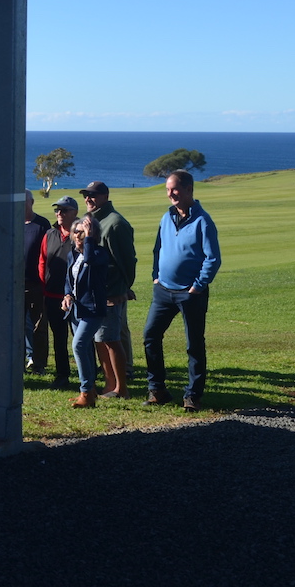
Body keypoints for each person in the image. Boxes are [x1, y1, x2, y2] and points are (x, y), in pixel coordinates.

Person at [145, 170, 222, 412]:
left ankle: (193, 396)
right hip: (164, 290)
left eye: (175, 189)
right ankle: (157, 389)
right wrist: (156, 276)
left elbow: (213, 258)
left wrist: (198, 285)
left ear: (189, 189)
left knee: (194, 344)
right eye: (168, 189)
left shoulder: (203, 221)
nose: (170, 194)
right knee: (150, 336)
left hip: (190, 293)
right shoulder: (166, 217)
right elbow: (158, 249)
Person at [80, 181, 135, 398]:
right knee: (99, 339)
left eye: (93, 195)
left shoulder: (115, 224)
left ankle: (121, 388)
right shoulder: (93, 221)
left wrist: (123, 288)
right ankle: (109, 383)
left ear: (105, 196)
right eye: (86, 195)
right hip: (96, 294)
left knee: (111, 339)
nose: (88, 199)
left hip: (110, 293)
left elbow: (126, 262)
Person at [62, 216, 110, 408]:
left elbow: (89, 260)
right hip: (76, 308)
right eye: (76, 232)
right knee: (86, 349)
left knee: (79, 345)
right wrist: (67, 295)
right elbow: (68, 280)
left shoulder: (100, 253)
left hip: (92, 308)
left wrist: (89, 238)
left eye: (82, 232)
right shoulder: (72, 255)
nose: (78, 236)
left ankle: (86, 391)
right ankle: (90, 391)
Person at [37, 195, 79, 389]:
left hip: (77, 297)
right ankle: (62, 374)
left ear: (74, 213)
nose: (59, 213)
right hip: (53, 295)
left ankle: (88, 374)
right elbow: (42, 260)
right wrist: (44, 286)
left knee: (81, 338)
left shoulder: (80, 234)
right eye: (57, 210)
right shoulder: (50, 234)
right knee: (59, 338)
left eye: (64, 210)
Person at [22, 190, 53, 374]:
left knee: (38, 325)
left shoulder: (42, 224)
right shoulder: (13, 221)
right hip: (16, 283)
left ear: (31, 202)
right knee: (17, 326)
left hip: (37, 284)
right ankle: (20, 361)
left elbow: (48, 254)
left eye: (24, 201)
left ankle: (38, 363)